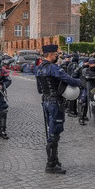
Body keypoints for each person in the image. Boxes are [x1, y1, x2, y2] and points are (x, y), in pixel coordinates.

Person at [36, 44, 81, 174]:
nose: (57, 56)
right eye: (56, 54)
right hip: (55, 103)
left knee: (52, 131)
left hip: (45, 101)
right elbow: (70, 80)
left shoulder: (38, 69)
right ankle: (50, 164)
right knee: (54, 133)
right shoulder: (54, 68)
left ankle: (54, 159)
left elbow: (39, 89)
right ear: (50, 55)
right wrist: (79, 82)